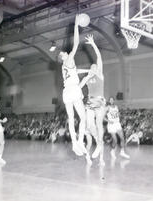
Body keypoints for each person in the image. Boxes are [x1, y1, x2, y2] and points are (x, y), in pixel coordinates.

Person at [58, 14, 87, 156]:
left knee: (71, 118)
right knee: (83, 118)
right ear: (63, 56)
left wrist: (87, 70)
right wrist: (76, 26)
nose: (65, 51)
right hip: (74, 90)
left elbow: (75, 71)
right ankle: (80, 141)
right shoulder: (68, 59)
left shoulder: (65, 65)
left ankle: (75, 144)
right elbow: (76, 43)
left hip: (66, 91)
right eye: (63, 52)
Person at [79, 34, 106, 165]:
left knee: (99, 123)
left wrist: (93, 44)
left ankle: (100, 146)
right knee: (90, 124)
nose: (94, 68)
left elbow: (99, 57)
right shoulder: (88, 78)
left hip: (99, 100)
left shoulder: (100, 74)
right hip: (90, 101)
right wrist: (83, 78)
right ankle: (98, 143)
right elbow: (79, 86)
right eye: (92, 67)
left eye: (95, 67)